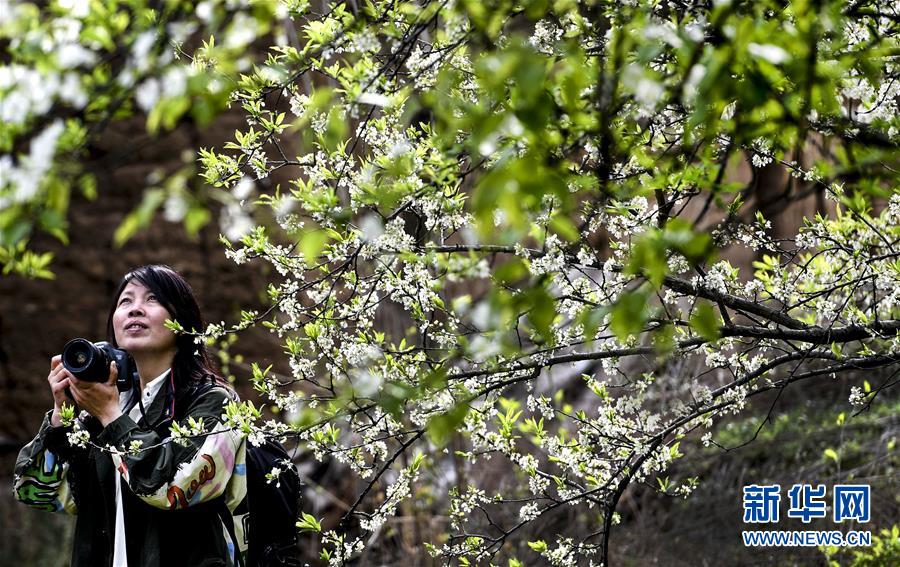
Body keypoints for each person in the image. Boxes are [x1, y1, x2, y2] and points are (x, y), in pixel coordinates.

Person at [14, 264, 247, 567]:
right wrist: (62, 417)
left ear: (183, 322)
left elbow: (172, 489)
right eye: (126, 301)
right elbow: (35, 492)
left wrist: (112, 416)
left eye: (152, 299)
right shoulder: (103, 412)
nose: (135, 309)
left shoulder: (213, 402)